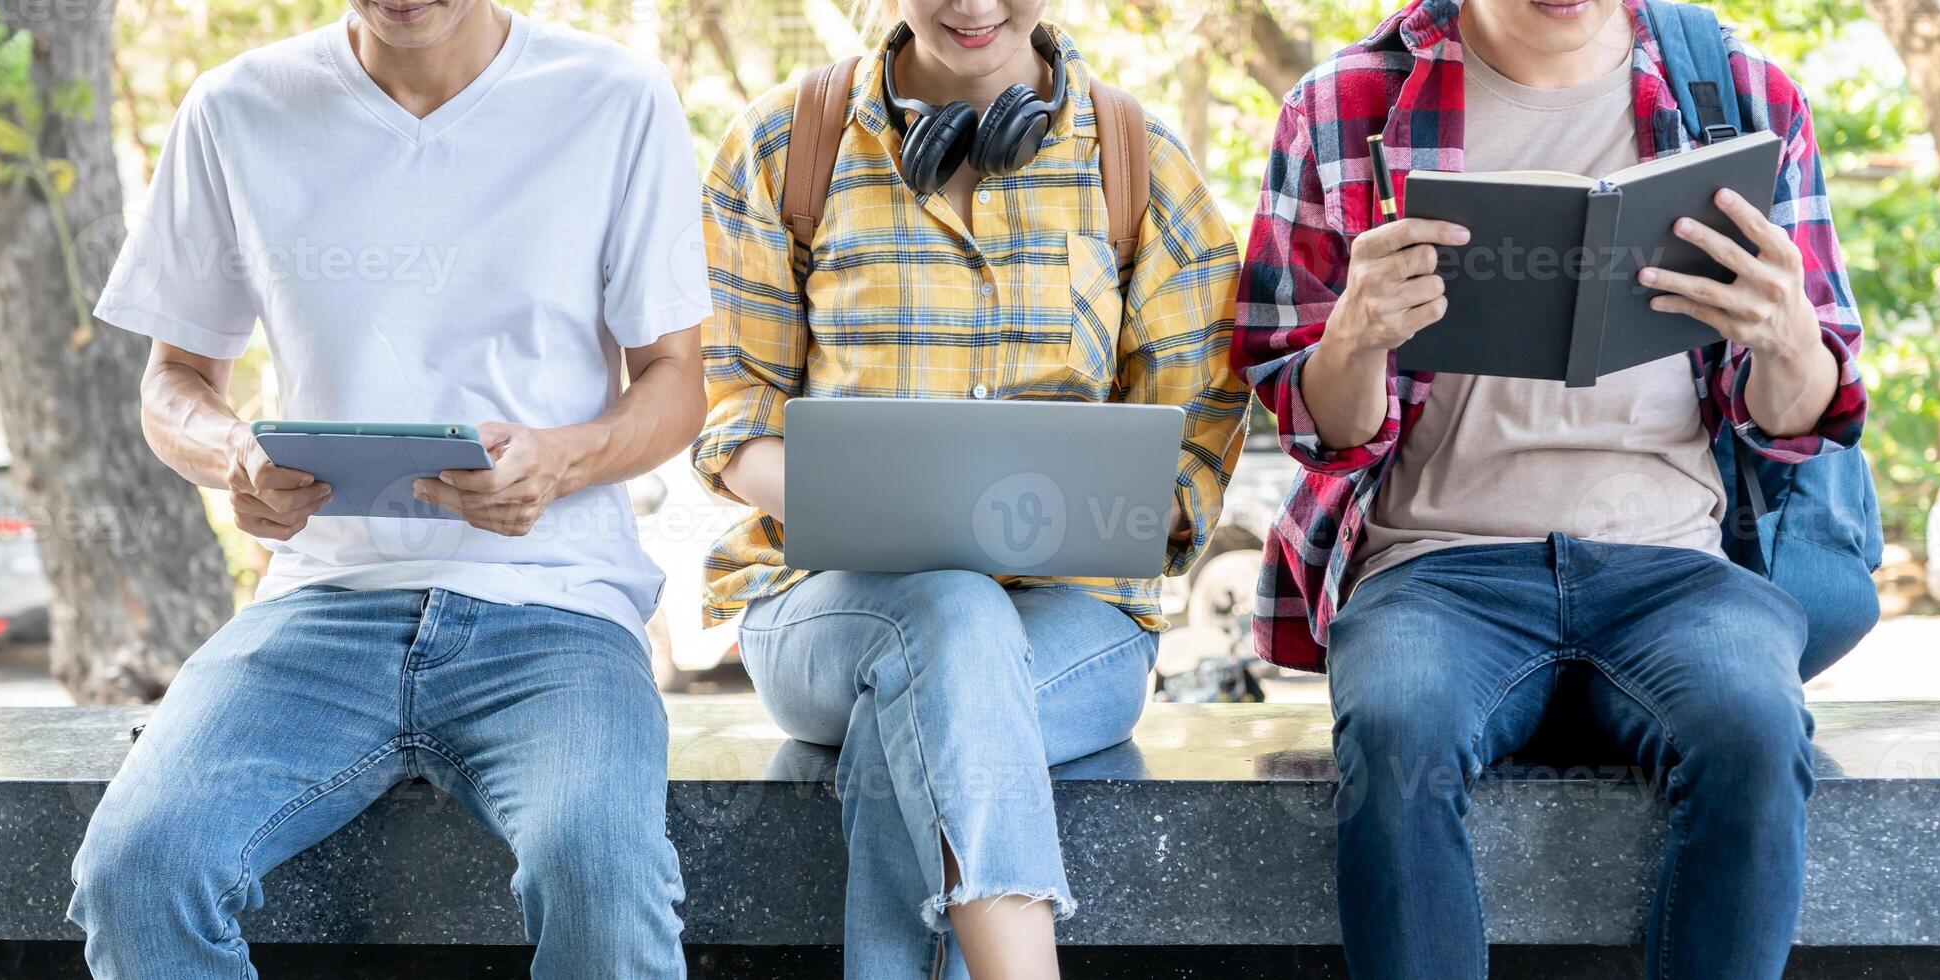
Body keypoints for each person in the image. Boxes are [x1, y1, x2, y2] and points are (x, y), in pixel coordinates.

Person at [65, 0, 710, 974]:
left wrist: (560, 458)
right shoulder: (235, 108)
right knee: (137, 867)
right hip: (319, 604)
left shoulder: (614, 99)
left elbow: (676, 382)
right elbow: (174, 383)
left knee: (604, 873)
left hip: (558, 605)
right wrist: (232, 452)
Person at [1233, 0, 1868, 977]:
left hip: (1676, 563)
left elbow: (1799, 420)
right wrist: (1354, 337)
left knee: (1756, 727)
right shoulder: (1339, 106)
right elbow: (1312, 421)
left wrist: (1787, 335)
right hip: (1436, 565)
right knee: (1397, 731)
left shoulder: (1746, 95)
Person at [694, 1, 1248, 975]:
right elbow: (734, 420)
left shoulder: (1140, 160)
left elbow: (1193, 454)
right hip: (825, 602)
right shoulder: (786, 144)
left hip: (1075, 617)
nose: (974, 4)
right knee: (949, 611)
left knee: (913, 712)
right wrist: (907, 519)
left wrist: (1049, 522)